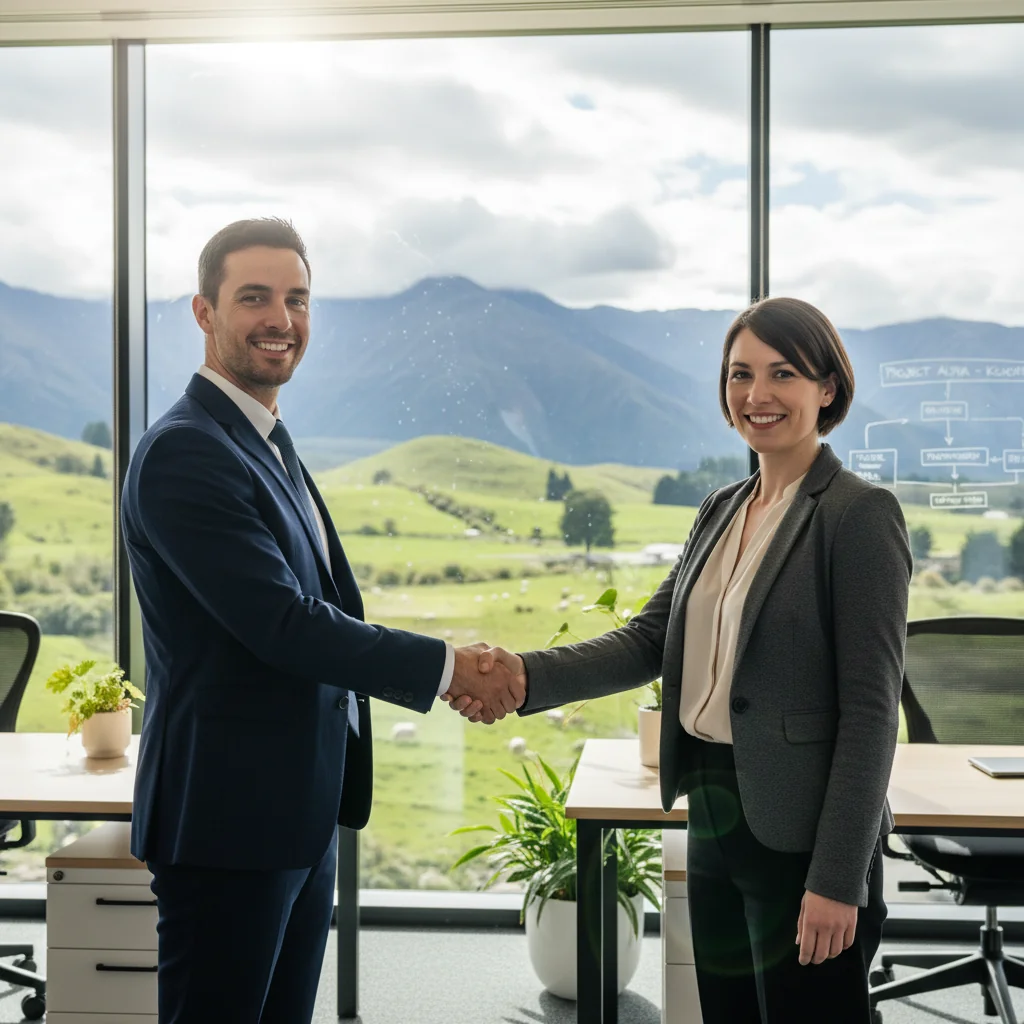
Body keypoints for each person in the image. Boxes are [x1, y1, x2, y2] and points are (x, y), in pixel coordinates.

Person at [453, 297, 911, 1023]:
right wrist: (524, 674)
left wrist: (837, 879)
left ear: (826, 388)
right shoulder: (722, 507)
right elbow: (647, 640)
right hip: (716, 817)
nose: (757, 395)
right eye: (740, 374)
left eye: (782, 373)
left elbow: (872, 711)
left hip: (803, 837)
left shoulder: (858, 515)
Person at [120, 217, 523, 1024]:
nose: (281, 319)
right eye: (255, 297)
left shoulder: (262, 437)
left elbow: (324, 605)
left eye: (297, 299)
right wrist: (449, 668)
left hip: (298, 818)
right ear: (204, 313)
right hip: (228, 825)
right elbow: (284, 623)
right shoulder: (185, 451)